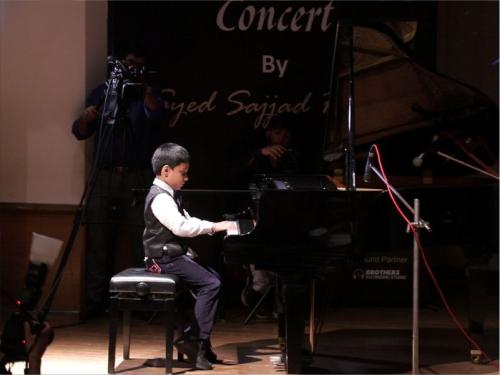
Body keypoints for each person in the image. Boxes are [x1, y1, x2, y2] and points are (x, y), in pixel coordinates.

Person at [72, 45, 164, 318]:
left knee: (141, 238)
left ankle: (143, 304)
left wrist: (144, 89)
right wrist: (87, 117)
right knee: (99, 239)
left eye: (137, 64)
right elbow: (79, 131)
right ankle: (94, 304)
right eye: (127, 64)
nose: (131, 69)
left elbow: (157, 118)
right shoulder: (103, 92)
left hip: (136, 174)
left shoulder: (146, 94)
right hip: (104, 173)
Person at [143, 142, 236, 370]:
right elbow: (181, 227)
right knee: (211, 284)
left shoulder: (170, 194)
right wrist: (215, 227)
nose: (187, 178)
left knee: (213, 278)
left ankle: (198, 342)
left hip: (172, 256)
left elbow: (188, 220)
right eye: (183, 173)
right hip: (161, 259)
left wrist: (216, 225)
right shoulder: (160, 198)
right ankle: (193, 341)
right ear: (166, 171)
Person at [242, 122, 299, 317]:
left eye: (285, 134)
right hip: (257, 215)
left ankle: (283, 303)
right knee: (259, 262)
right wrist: (261, 153)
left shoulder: (292, 157)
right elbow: (239, 173)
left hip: (285, 217)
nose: (281, 138)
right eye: (277, 133)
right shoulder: (256, 156)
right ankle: (259, 292)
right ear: (268, 135)